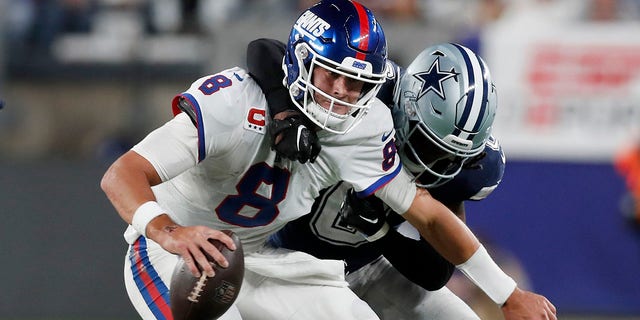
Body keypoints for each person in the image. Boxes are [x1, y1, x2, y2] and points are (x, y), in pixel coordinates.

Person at [101, 1, 556, 319]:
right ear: (300, 61)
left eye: (355, 82)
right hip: (171, 253)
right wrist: (170, 231)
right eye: (331, 75)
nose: (341, 93)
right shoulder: (235, 102)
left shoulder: (364, 125)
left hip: (263, 257)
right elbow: (121, 174)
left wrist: (507, 294)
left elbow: (431, 217)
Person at [247, 39, 506, 319]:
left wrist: (380, 233)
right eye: (429, 145)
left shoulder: (464, 167)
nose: (433, 165)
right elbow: (266, 50)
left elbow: (436, 271)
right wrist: (286, 111)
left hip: (368, 262)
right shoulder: (362, 88)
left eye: (450, 157)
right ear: (406, 108)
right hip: (291, 257)